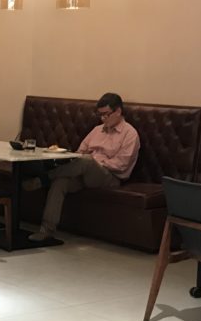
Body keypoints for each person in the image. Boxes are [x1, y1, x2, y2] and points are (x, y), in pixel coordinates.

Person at [26, 92, 140, 242]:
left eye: (106, 115)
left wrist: (95, 162)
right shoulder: (97, 130)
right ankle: (46, 230)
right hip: (85, 171)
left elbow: (121, 165)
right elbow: (80, 152)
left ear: (118, 111)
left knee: (86, 161)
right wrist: (84, 161)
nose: (103, 119)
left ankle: (44, 178)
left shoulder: (130, 134)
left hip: (109, 176)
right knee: (60, 183)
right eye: (100, 115)